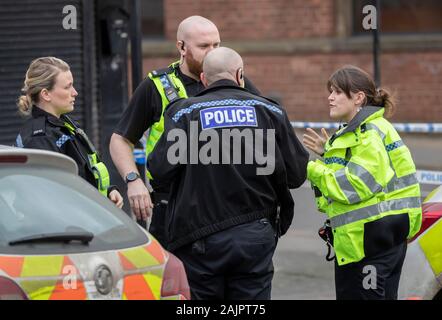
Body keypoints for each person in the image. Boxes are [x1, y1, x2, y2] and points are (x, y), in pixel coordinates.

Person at [146, 47, 309, 299]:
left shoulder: (184, 113)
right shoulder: (270, 112)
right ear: (240, 75)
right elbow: (297, 175)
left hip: (198, 238)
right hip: (255, 234)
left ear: (203, 80)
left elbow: (158, 171)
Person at [109, 16, 260, 246]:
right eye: (203, 46)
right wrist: (133, 180)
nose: (212, 52)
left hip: (229, 207)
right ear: (181, 47)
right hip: (174, 207)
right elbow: (120, 139)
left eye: (216, 45)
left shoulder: (235, 79)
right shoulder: (157, 86)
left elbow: (265, 127)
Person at [303, 65, 422, 300]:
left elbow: (353, 186)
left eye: (337, 92)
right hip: (385, 239)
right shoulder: (370, 129)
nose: (330, 97)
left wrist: (307, 168)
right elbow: (374, 177)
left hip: (366, 246)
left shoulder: (368, 134)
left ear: (358, 98)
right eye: (330, 91)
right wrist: (327, 155)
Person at [15, 56, 123, 208]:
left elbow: (82, 175)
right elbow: (51, 198)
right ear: (46, 94)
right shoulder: (40, 138)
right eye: (67, 87)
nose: (75, 92)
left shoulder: (64, 124)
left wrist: (108, 192)